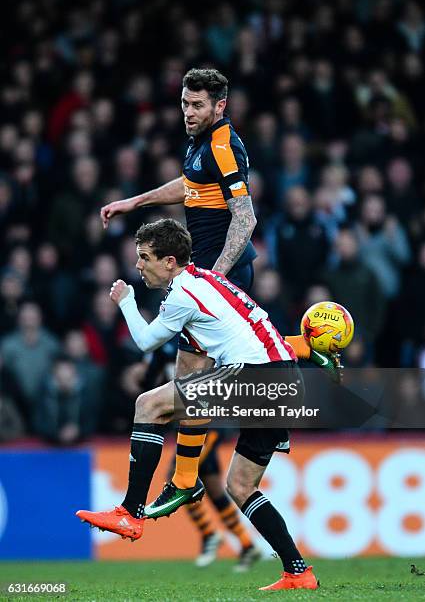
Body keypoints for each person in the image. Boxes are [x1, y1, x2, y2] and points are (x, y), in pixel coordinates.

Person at [99, 67, 336, 566]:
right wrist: (135, 201)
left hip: (217, 274)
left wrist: (215, 280)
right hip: (207, 276)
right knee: (189, 376)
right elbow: (188, 188)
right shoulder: (199, 145)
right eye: (185, 103)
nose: (188, 112)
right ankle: (190, 477)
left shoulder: (225, 143)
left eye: (197, 105)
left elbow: (246, 218)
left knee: (186, 379)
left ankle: (182, 480)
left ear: (219, 106)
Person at [77, 219, 318, 591]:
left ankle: (130, 512)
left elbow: (144, 342)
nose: (138, 265)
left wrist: (125, 302)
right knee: (240, 485)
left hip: (255, 375)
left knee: (148, 404)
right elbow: (257, 329)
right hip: (281, 377)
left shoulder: (183, 295)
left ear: (170, 261)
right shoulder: (209, 281)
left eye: (145, 257)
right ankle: (298, 571)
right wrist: (308, 350)